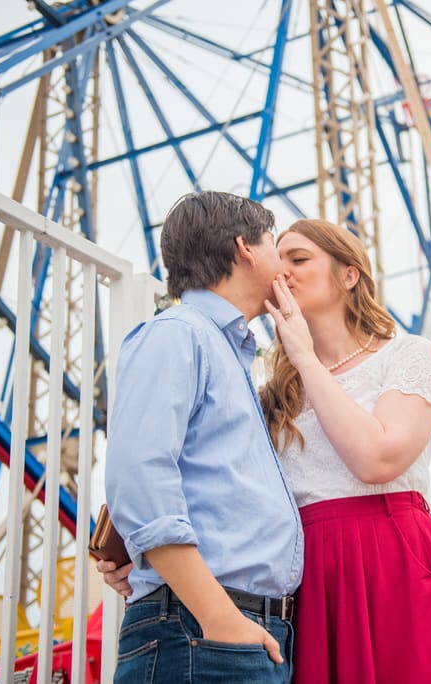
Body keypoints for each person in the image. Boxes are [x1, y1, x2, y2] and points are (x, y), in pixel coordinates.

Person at [259, 218, 431, 683]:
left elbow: (377, 459)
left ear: (349, 275)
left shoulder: (407, 355)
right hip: (310, 572)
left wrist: (305, 357)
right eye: (275, 262)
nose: (281, 273)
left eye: (299, 259)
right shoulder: (272, 390)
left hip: (393, 559)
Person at [104, 192, 303, 683]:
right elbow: (140, 475)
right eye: (275, 246)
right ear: (246, 249)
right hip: (203, 629)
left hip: (233, 628)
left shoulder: (229, 352)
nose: (284, 266)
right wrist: (218, 615)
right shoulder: (177, 333)